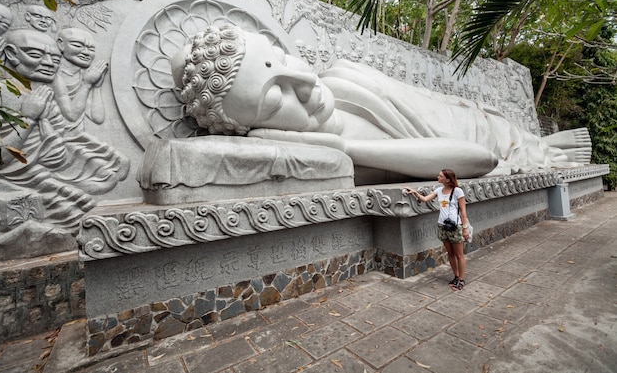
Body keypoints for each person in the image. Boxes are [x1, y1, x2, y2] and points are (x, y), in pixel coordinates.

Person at [171, 23, 590, 182]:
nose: (302, 80)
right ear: (256, 131)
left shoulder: (345, 74)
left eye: (281, 59)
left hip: (480, 118)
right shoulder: (340, 161)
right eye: (276, 97)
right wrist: (344, 148)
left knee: (525, 142)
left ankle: (543, 147)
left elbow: (432, 104)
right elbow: (479, 160)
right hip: (482, 143)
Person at [405, 169, 469, 290]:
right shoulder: (439, 190)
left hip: (455, 226)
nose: (437, 177)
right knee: (450, 253)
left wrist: (465, 228)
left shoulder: (458, 191)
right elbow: (425, 199)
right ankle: (455, 276)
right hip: (442, 225)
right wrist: (414, 193)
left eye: (440, 176)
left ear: (448, 179)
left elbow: (463, 211)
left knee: (459, 255)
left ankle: (461, 279)